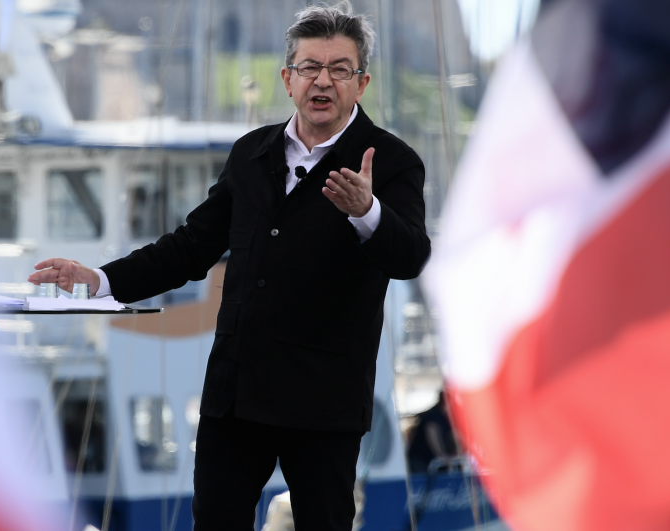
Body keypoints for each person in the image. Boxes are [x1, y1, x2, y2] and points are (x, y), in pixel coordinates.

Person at [28, 2, 430, 529]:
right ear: (287, 79)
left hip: (323, 400)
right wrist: (100, 279)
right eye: (310, 67)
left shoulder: (392, 162)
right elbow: (190, 247)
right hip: (236, 394)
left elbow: (411, 256)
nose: (323, 80)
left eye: (339, 69)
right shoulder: (251, 154)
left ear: (362, 83)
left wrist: (367, 212)